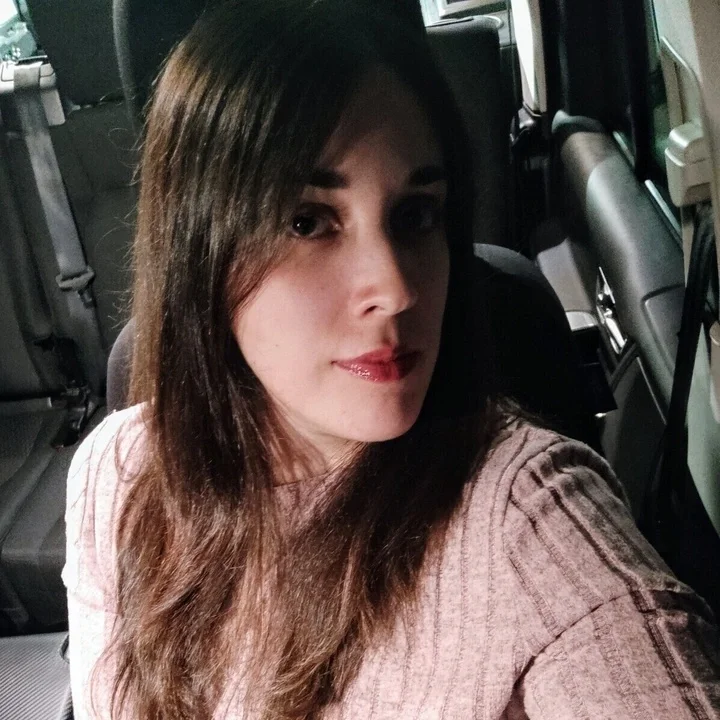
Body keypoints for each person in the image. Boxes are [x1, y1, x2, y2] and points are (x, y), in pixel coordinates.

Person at [63, 1, 720, 718]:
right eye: (307, 221)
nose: (398, 288)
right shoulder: (115, 478)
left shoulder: (530, 518)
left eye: (416, 216)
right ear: (201, 251)